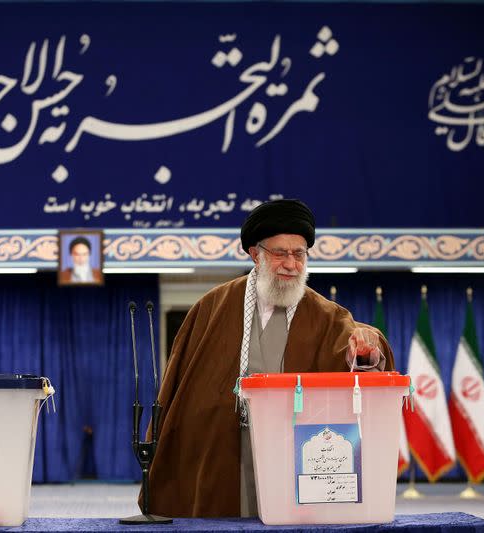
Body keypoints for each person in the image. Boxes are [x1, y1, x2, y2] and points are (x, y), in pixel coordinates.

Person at [145, 199, 394, 518]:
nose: (291, 264)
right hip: (223, 452)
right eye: (280, 253)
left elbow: (359, 345)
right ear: (256, 254)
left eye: (299, 254)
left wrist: (366, 348)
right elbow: (179, 387)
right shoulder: (211, 307)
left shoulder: (326, 315)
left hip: (293, 455)